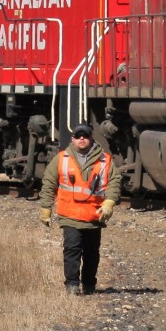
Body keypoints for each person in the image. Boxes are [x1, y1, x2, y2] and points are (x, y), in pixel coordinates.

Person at [38, 123, 121, 295]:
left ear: (91, 138)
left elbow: (114, 182)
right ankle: (72, 285)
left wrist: (109, 203)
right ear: (72, 139)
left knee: (91, 253)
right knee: (72, 249)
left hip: (94, 215)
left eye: (85, 135)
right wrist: (46, 208)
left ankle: (89, 285)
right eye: (78, 136)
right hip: (70, 215)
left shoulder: (105, 160)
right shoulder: (62, 159)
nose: (81, 139)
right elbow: (49, 183)